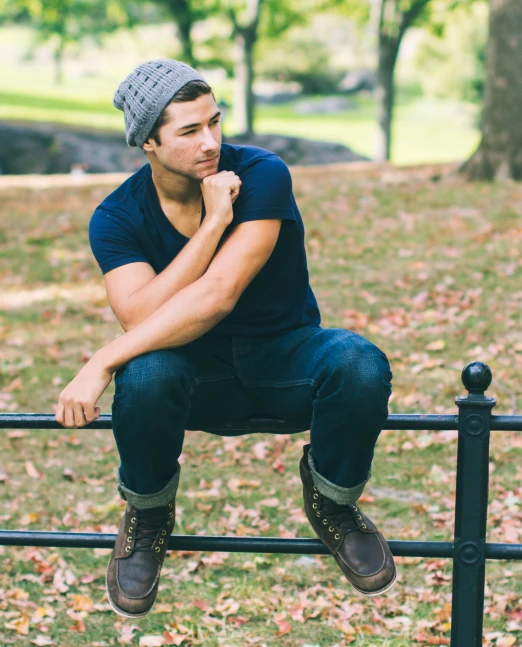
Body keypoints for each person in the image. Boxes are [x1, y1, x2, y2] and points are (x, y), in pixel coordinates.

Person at [54, 59, 397, 618]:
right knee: (145, 371)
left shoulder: (262, 173)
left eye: (214, 122)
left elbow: (220, 293)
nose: (211, 142)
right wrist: (213, 223)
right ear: (148, 142)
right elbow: (138, 317)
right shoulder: (116, 217)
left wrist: (99, 363)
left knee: (359, 363)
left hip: (284, 359)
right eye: (190, 131)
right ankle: (149, 514)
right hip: (191, 377)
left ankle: (332, 502)